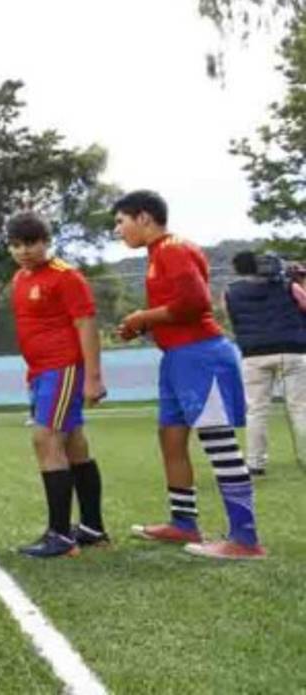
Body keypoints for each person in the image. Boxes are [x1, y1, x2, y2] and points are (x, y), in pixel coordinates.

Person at [113, 190, 265, 559]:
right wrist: (143, 326)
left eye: (120, 221)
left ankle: (245, 539)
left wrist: (142, 317)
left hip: (201, 357)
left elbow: (196, 303)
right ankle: (183, 523)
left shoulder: (173, 249)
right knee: (171, 438)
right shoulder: (157, 255)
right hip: (177, 359)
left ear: (144, 218)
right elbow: (177, 309)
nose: (118, 230)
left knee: (218, 443)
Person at [7, 213, 109, 558]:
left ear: (46, 242)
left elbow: (86, 324)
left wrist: (93, 377)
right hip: (39, 372)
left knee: (45, 437)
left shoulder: (67, 277)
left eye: (31, 243)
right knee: (75, 444)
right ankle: (92, 529)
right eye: (17, 245)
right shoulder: (19, 279)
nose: (24, 251)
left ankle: (60, 536)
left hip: (62, 368)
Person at [224, 251, 306, 474]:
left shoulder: (231, 292)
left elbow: (233, 319)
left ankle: (255, 462)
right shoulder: (289, 286)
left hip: (254, 354)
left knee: (257, 410)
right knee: (299, 408)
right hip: (292, 350)